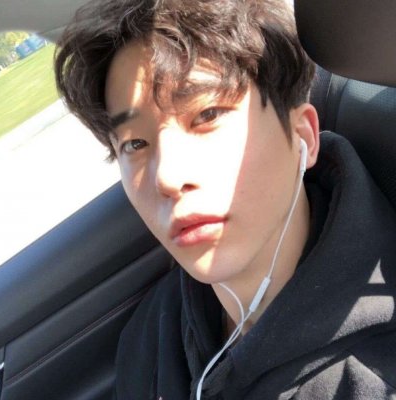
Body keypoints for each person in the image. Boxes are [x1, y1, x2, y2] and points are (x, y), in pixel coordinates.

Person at [54, 0, 396, 399]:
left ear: (303, 136)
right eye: (135, 143)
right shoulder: (155, 328)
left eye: (207, 115)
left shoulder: (371, 381)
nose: (167, 177)